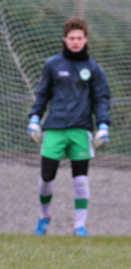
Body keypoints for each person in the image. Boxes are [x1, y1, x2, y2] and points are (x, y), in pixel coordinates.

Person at [28, 17, 111, 237]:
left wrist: (103, 125)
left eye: (79, 38)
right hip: (54, 127)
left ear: (85, 39)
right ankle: (44, 216)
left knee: (81, 179)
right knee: (46, 177)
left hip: (81, 129)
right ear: (65, 39)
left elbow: (101, 98)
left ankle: (79, 226)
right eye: (72, 38)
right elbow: (42, 94)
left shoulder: (93, 68)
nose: (76, 42)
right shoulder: (52, 65)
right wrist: (35, 118)